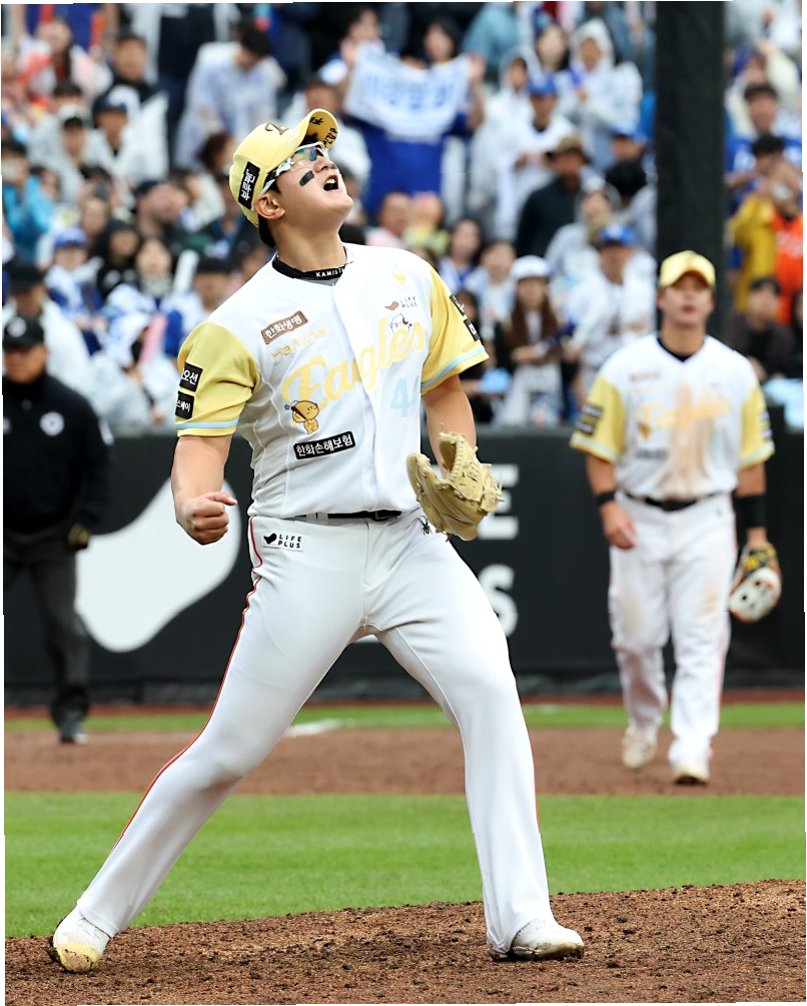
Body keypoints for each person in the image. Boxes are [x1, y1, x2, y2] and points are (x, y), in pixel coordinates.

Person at [51, 106, 583, 973]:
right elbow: (199, 453)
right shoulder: (234, 324)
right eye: (300, 161)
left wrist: (459, 462)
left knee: (491, 696)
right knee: (228, 752)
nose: (323, 160)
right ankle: (93, 915)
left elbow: (446, 392)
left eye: (323, 151)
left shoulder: (405, 275)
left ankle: (522, 917)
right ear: (267, 203)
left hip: (410, 545)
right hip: (307, 553)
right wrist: (191, 504)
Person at [570, 251, 777, 785]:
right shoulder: (625, 368)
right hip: (638, 513)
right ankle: (644, 721)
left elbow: (752, 462)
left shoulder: (734, 372)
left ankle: (692, 746)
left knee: (702, 635)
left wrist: (757, 535)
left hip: (708, 516)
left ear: (711, 300)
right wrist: (608, 505)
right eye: (678, 287)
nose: (688, 295)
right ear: (661, 297)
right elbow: (597, 447)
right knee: (636, 639)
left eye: (698, 287)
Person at [3, 314, 109, 744]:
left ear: (44, 353)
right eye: (9, 351)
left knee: (63, 626)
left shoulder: (71, 406)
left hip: (52, 536)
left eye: (24, 350)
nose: (15, 358)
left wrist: (86, 520)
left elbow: (98, 466)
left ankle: (71, 713)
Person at [724, 276, 797, 383]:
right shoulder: (731, 325)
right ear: (749, 297)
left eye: (772, 296)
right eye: (760, 293)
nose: (766, 301)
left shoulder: (785, 336)